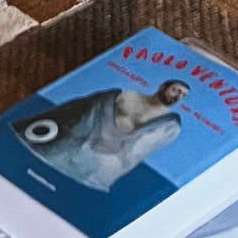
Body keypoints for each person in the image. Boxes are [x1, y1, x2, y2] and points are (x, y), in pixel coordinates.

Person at [13, 78, 190, 192]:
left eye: (182, 95)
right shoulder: (128, 96)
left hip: (106, 153)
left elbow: (139, 148)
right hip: (84, 133)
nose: (178, 96)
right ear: (162, 86)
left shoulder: (165, 122)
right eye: (176, 90)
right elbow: (90, 107)